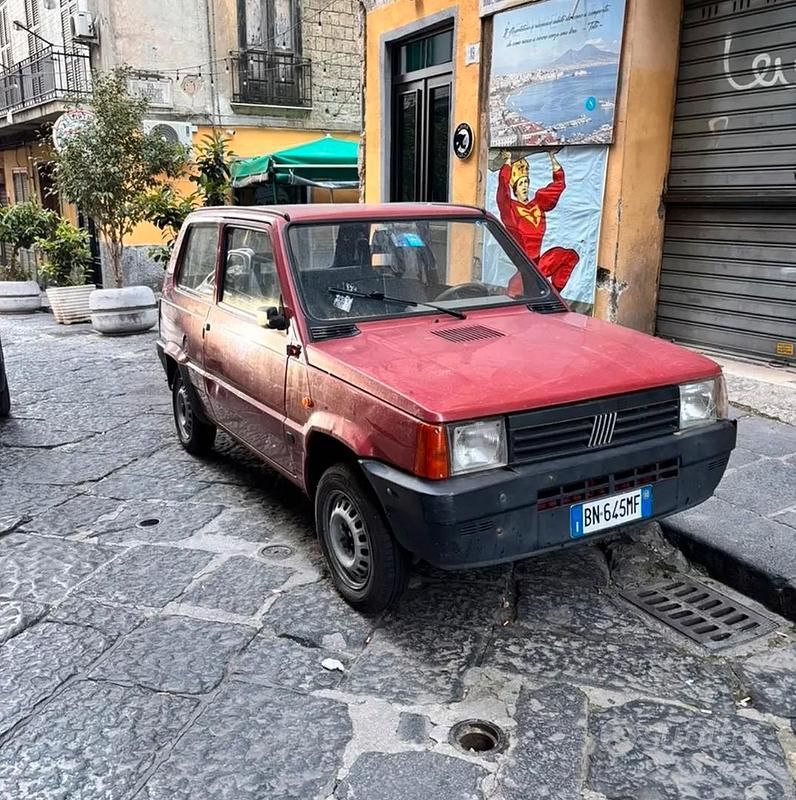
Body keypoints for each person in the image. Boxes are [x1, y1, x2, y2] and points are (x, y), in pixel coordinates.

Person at [496, 149, 580, 294]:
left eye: (526, 182)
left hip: (539, 264)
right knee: (517, 294)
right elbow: (502, 189)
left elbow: (558, 185)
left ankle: (553, 293)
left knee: (570, 256)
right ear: (514, 188)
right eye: (521, 183)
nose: (524, 186)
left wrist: (552, 158)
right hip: (525, 266)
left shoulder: (537, 204)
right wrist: (508, 162)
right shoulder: (511, 209)